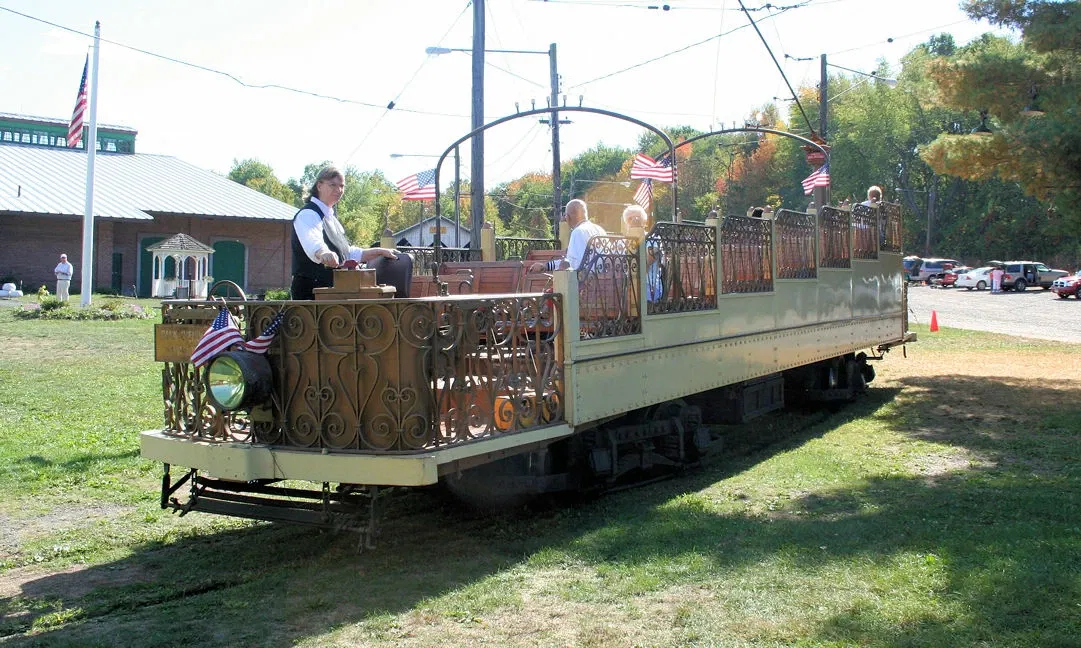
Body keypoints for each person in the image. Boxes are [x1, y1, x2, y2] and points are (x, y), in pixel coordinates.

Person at [290, 166, 398, 300]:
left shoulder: (332, 219)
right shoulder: (308, 214)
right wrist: (324, 253)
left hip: (335, 295)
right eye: (333, 185)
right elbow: (314, 243)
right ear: (319, 185)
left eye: (342, 186)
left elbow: (347, 253)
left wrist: (380, 251)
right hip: (311, 297)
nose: (339, 190)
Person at [528, 199, 605, 273]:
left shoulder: (577, 232)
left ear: (567, 217)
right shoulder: (600, 230)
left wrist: (561, 265)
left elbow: (574, 265)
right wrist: (546, 266)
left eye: (565, 215)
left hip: (585, 282)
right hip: (605, 279)